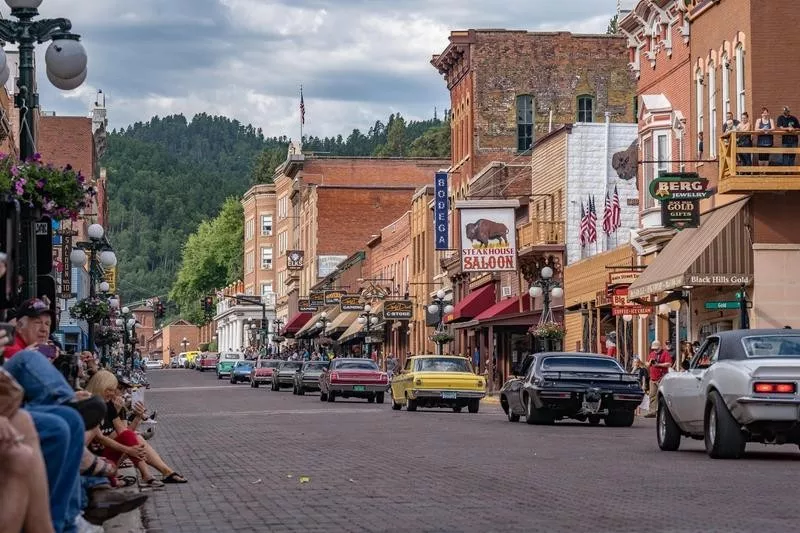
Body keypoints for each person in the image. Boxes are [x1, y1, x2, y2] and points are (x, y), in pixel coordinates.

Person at [645, 341, 672, 418]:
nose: (655, 350)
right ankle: (652, 411)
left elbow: (669, 364)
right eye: (654, 349)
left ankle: (664, 412)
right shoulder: (652, 354)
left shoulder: (665, 353)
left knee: (663, 396)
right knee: (652, 395)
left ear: (660, 347)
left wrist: (658, 365)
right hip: (653, 378)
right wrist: (650, 362)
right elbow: (646, 365)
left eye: (656, 349)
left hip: (662, 377)